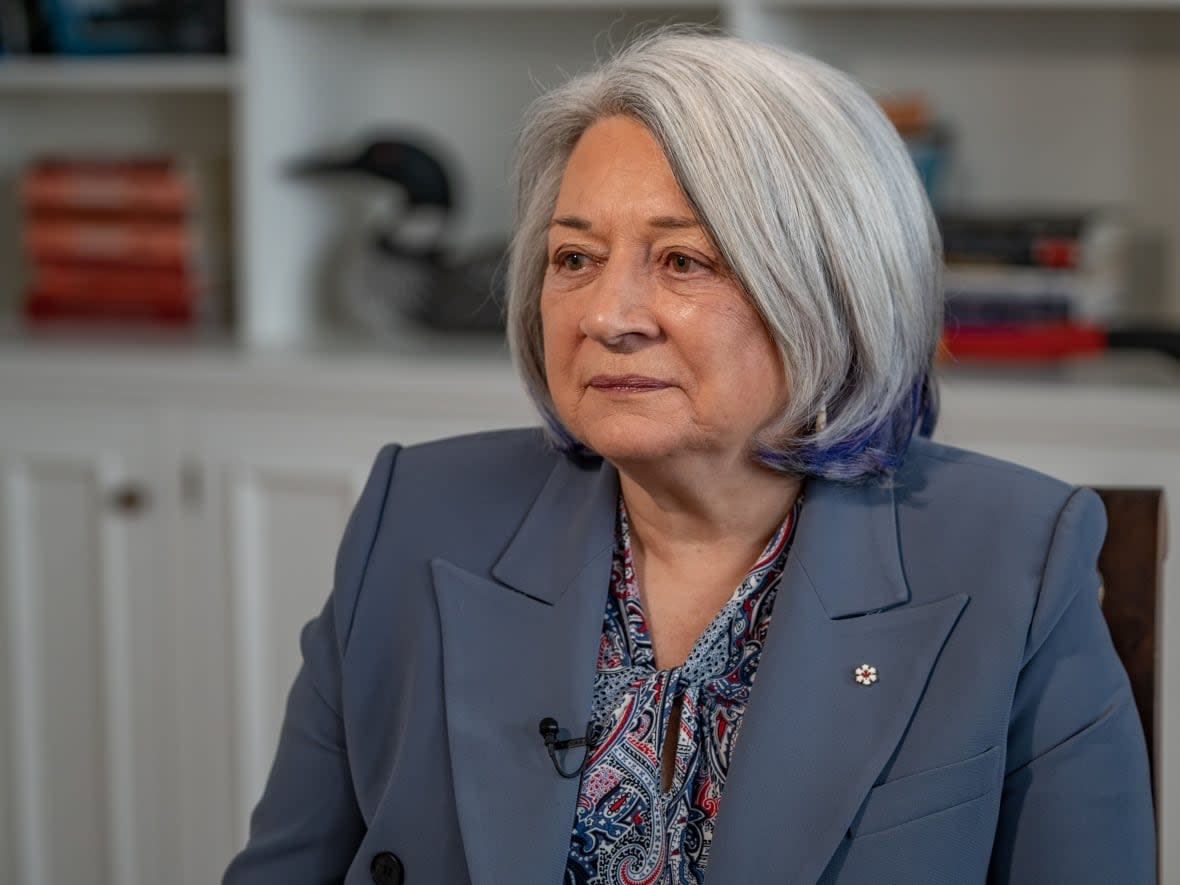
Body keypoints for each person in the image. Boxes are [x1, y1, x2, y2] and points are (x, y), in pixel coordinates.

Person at [223, 29, 1155, 885]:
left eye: (682, 262)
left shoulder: (1016, 558)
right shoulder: (416, 515)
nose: (604, 315)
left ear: (831, 289)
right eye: (574, 258)